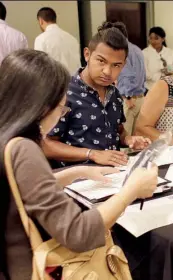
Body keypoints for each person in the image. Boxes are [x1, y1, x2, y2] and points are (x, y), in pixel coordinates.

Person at [0, 49, 159, 280]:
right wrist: (130, 191)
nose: (61, 115)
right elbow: (78, 232)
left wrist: (78, 172)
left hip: (0, 279)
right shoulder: (24, 149)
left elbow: (16, 189)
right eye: (61, 110)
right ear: (37, 106)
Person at [42, 23, 150, 167]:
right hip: (77, 180)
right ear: (87, 54)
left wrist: (128, 140)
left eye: (116, 65)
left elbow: (117, 132)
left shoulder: (115, 94)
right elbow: (46, 145)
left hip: (113, 176)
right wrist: (92, 154)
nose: (107, 71)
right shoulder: (64, 93)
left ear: (123, 65)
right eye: (101, 61)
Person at [104, 21, 146, 136]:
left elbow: (128, 74)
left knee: (125, 141)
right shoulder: (137, 49)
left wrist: (126, 96)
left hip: (129, 100)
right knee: (136, 140)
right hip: (140, 98)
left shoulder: (123, 51)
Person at [34, 7, 81, 75]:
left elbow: (39, 67)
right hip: (73, 82)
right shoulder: (72, 38)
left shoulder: (41, 39)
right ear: (55, 19)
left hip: (53, 83)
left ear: (41, 21)